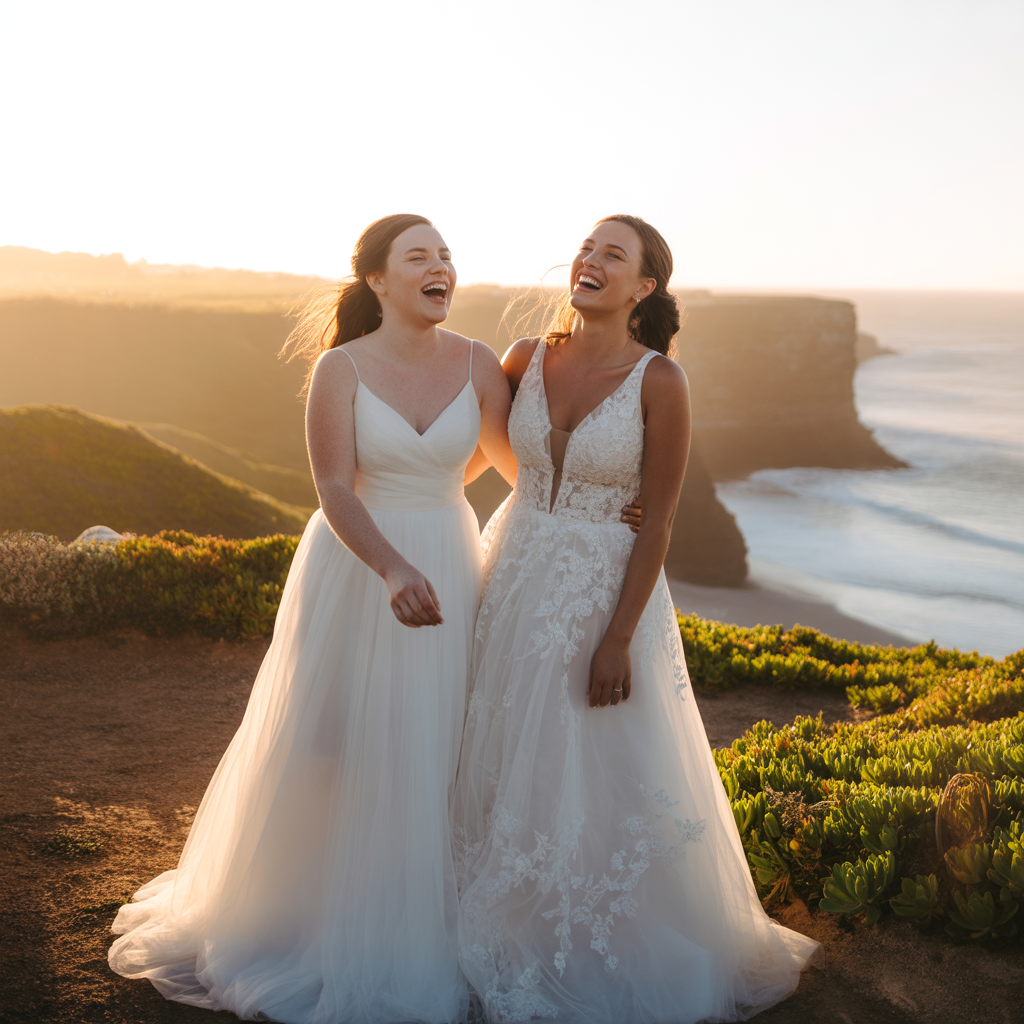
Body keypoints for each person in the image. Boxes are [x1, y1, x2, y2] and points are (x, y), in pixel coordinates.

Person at [108, 214, 517, 1023]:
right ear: (378, 281)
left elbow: (507, 464)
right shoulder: (340, 368)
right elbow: (333, 488)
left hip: (448, 551)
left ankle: (414, 922)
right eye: (419, 257)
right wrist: (394, 563)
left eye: (446, 256)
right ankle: (315, 917)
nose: (440, 268)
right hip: (357, 564)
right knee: (331, 744)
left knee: (433, 744)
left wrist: (603, 505)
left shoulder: (479, 365)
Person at [452, 215, 820, 1024]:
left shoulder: (661, 383)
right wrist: (553, 510)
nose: (589, 259)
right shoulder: (525, 358)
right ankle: (494, 912)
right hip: (514, 569)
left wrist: (618, 635)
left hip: (603, 593)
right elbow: (503, 462)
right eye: (586, 246)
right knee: (500, 740)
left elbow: (656, 521)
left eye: (611, 254)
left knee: (587, 758)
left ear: (643, 287)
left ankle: (581, 937)